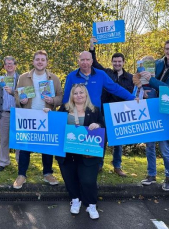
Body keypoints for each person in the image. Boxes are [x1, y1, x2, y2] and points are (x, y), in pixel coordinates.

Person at [133, 39, 169, 191]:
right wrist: (141, 89)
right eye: (166, 49)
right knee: (149, 145)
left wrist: (151, 80)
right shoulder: (156, 64)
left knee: (164, 147)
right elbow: (140, 80)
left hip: (165, 110)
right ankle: (151, 175)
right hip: (150, 108)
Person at [13, 50, 63, 189]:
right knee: (25, 147)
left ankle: (47, 173)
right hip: (28, 116)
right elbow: (17, 95)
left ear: (47, 62)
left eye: (43, 59)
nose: (40, 62)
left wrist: (52, 100)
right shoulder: (23, 77)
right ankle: (21, 175)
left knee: (47, 147)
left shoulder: (54, 78)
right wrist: (21, 101)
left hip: (47, 116)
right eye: (37, 59)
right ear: (33, 61)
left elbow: (61, 97)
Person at [56, 84, 105, 219]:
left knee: (88, 180)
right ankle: (75, 200)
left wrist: (98, 125)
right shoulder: (64, 109)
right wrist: (47, 113)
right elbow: (55, 124)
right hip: (67, 153)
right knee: (70, 179)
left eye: (81, 93)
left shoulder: (94, 110)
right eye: (76, 93)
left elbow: (103, 126)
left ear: (86, 94)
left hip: (88, 154)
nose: (78, 95)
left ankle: (91, 205)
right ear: (72, 95)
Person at [89, 37, 135, 176]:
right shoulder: (106, 73)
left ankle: (117, 166)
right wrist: (92, 48)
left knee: (118, 141)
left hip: (121, 112)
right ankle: (99, 164)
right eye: (114, 61)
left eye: (119, 61)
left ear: (123, 62)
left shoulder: (131, 77)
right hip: (104, 110)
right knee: (101, 138)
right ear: (112, 62)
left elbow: (133, 93)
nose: (117, 63)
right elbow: (94, 63)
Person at [0, 56, 20, 172]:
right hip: (4, 113)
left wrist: (13, 91)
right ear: (4, 66)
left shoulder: (21, 79)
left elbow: (25, 97)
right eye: (7, 64)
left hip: (19, 113)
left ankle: (20, 161)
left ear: (15, 65)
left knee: (19, 139)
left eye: (11, 63)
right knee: (4, 139)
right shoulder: (1, 80)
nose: (9, 65)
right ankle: (3, 162)